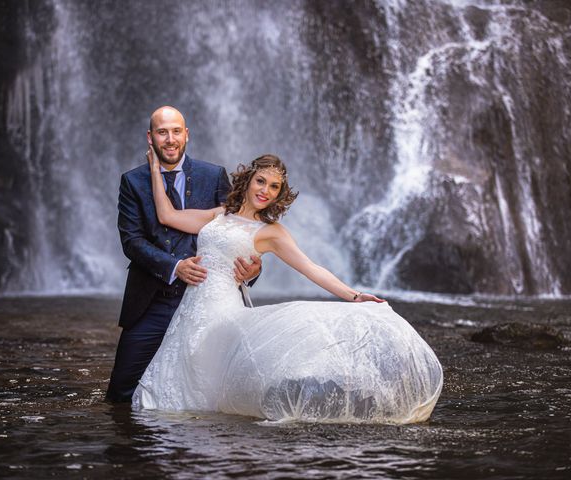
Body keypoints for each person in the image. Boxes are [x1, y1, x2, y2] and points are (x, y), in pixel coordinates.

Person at [132, 150, 443, 423]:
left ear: (280, 194)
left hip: (221, 308)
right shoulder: (219, 214)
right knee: (183, 382)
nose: (265, 190)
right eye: (261, 181)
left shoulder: (271, 232)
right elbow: (167, 215)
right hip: (191, 309)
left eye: (274, 187)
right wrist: (156, 168)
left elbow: (310, 268)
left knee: (210, 382)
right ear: (248, 179)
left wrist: (354, 295)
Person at [106, 106, 261, 402]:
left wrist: (253, 270)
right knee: (121, 392)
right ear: (150, 137)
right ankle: (129, 448)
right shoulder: (133, 181)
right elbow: (132, 240)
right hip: (152, 301)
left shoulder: (213, 175)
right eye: (162, 132)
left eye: (176, 131)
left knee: (213, 389)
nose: (170, 138)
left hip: (207, 300)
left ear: (186, 135)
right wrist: (175, 266)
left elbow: (239, 232)